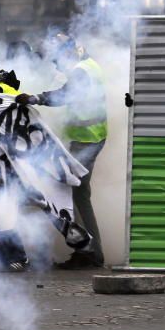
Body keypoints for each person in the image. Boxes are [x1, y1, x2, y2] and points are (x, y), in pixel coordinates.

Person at [0, 57, 93, 272]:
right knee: (27, 204)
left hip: (7, 164)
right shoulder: (5, 89)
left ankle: (11, 258)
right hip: (17, 161)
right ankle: (28, 255)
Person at [26, 34, 108, 269]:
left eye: (56, 60)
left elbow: (65, 94)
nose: (56, 65)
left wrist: (36, 98)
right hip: (90, 138)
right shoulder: (91, 65)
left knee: (71, 193)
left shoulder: (81, 70)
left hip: (88, 139)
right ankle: (92, 251)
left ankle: (89, 252)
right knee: (79, 195)